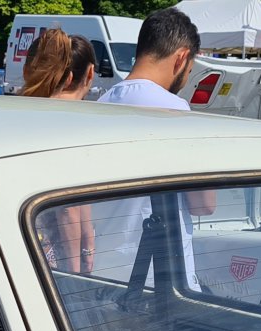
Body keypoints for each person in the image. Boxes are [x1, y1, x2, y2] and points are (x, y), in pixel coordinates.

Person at [98, 7, 216, 290]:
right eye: (190, 69)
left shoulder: (99, 105)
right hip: (158, 278)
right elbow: (204, 205)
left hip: (105, 272)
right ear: (182, 57)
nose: (186, 77)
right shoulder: (176, 113)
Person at [21, 29, 98, 273]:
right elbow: (70, 207)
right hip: (49, 261)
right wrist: (77, 271)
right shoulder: (67, 129)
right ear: (89, 74)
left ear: (26, 70)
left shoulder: (6, 118)